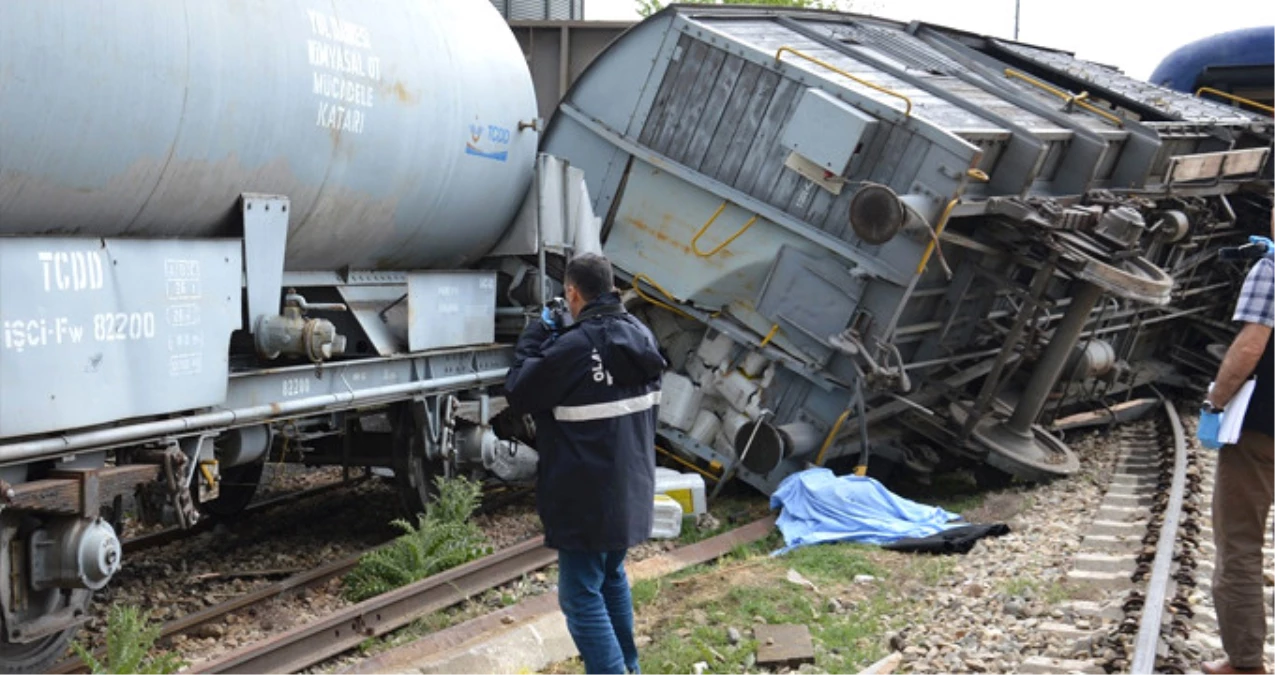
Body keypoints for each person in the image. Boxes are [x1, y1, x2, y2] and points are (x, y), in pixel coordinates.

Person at [505, 252, 665, 675]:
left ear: (572, 293)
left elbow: (520, 390)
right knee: (610, 578)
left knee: (578, 596)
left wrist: (539, 332)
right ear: (613, 288)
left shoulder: (572, 349)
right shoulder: (642, 337)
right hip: (631, 486)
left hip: (586, 497)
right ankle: (628, 667)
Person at [1198, 224, 1275, 675]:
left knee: (1240, 544)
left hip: (1262, 431)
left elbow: (1250, 347)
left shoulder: (1270, 269)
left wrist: (1215, 402)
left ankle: (1245, 664)